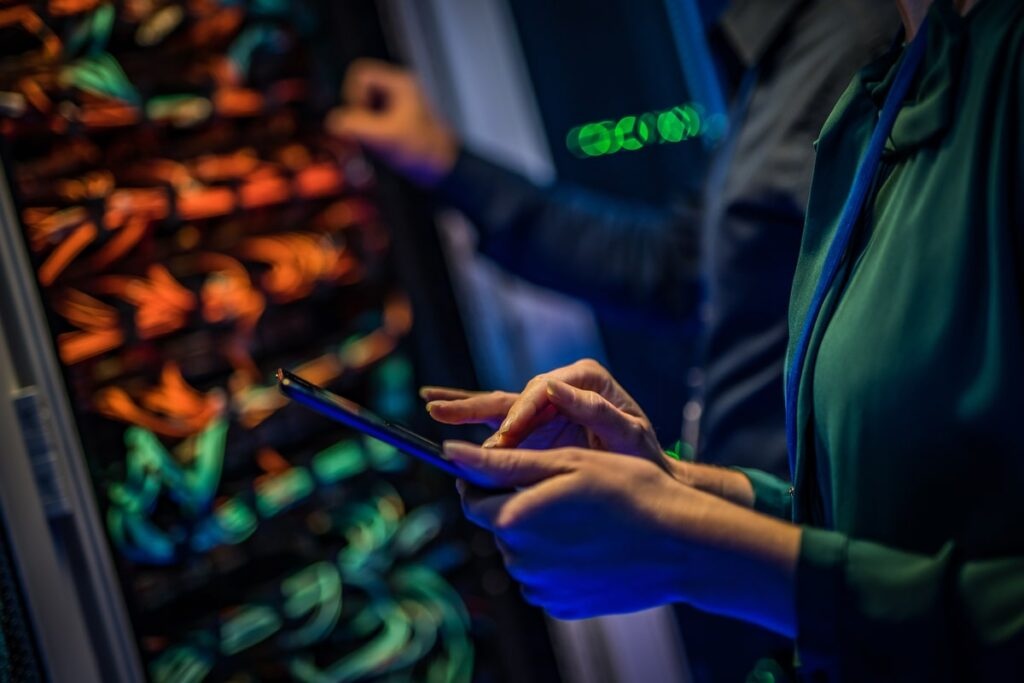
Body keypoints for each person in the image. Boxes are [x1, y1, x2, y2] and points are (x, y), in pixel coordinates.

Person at [425, 0, 1024, 679]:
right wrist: (680, 489)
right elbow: (886, 514)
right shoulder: (886, 83)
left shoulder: (950, 69)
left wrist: (696, 551)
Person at [328, 3, 895, 678]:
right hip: (788, 604)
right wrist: (678, 494)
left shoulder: (881, 36)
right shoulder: (794, 51)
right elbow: (680, 268)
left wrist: (688, 543)